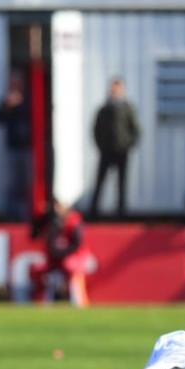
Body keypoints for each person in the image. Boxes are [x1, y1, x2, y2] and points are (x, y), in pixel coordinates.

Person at [29, 198, 95, 306]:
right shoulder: (53, 222)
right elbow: (46, 242)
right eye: (56, 206)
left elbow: (77, 245)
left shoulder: (74, 222)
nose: (57, 209)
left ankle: (78, 302)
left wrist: (62, 254)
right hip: (58, 259)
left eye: (59, 206)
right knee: (49, 274)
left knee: (70, 268)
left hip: (76, 258)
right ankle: (48, 302)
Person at [90, 78, 140, 220]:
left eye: (117, 89)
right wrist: (101, 145)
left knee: (121, 183)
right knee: (100, 181)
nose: (114, 92)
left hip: (121, 152)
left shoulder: (127, 108)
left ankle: (121, 211)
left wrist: (127, 145)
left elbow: (135, 130)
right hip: (106, 151)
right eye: (113, 89)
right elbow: (96, 129)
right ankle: (94, 211)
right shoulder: (104, 109)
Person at [0, 72, 32, 221]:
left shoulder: (29, 100)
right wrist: (7, 106)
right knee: (12, 182)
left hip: (28, 147)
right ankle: (12, 214)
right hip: (13, 148)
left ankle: (26, 213)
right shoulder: (6, 102)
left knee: (27, 181)